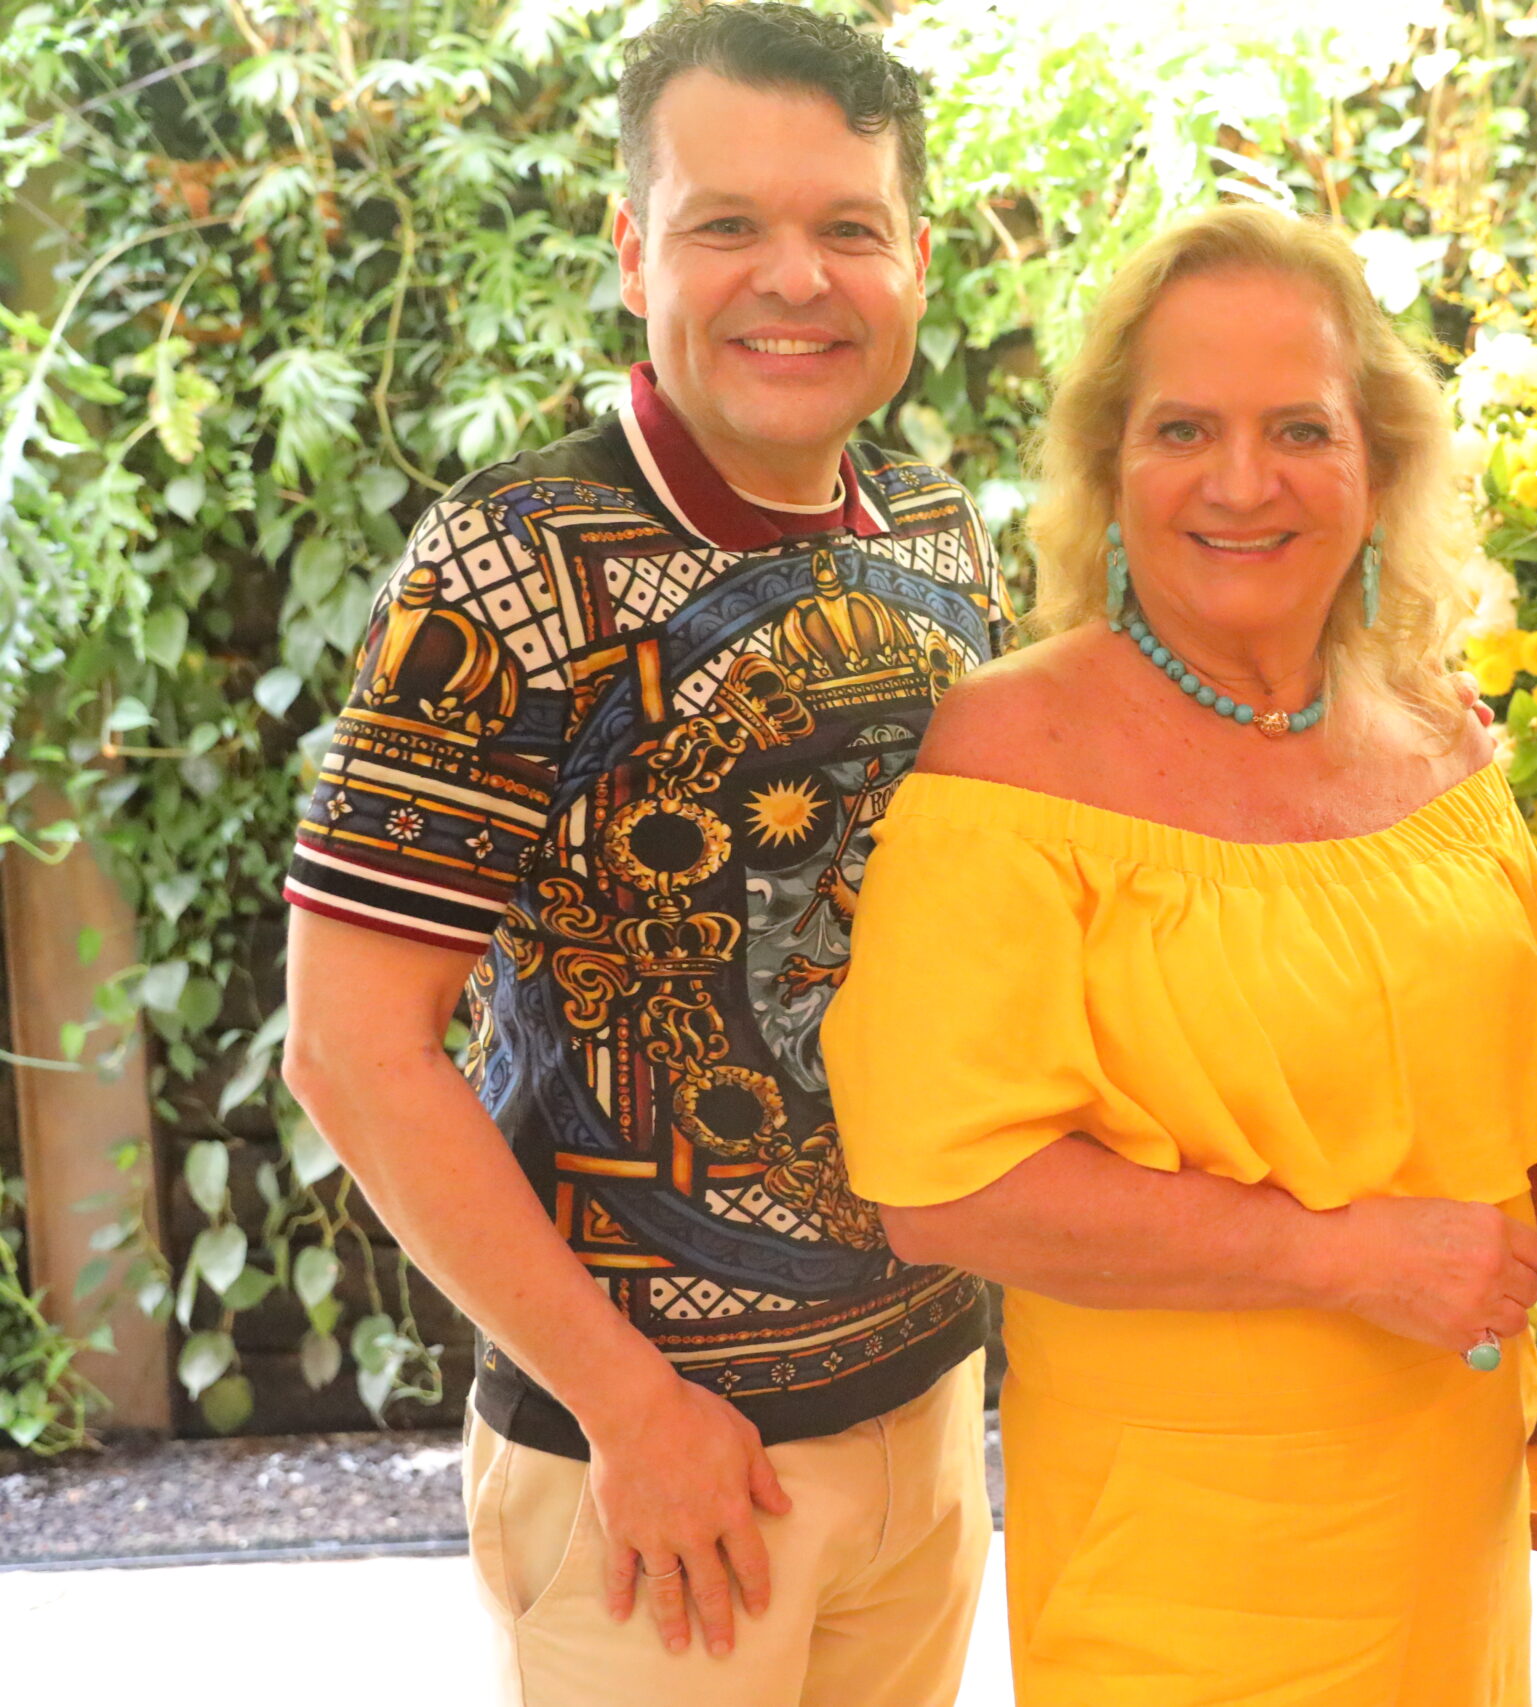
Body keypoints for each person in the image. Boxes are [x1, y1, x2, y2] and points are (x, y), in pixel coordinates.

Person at [820, 203, 1537, 1707]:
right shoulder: (1012, 753)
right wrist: (1343, 1255)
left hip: (1444, 1517)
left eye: (1301, 428)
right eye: (1185, 428)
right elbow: (942, 1189)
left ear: (1379, 464)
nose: (1243, 482)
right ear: (1112, 468)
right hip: (1172, 1559)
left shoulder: (1436, 739)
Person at [280, 9, 1007, 1703]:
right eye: (726, 223)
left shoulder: (941, 533)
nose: (795, 279)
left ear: (917, 259)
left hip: (925, 1404)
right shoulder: (512, 559)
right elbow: (353, 1049)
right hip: (660, 1472)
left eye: (848, 226)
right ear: (632, 250)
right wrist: (630, 1407)